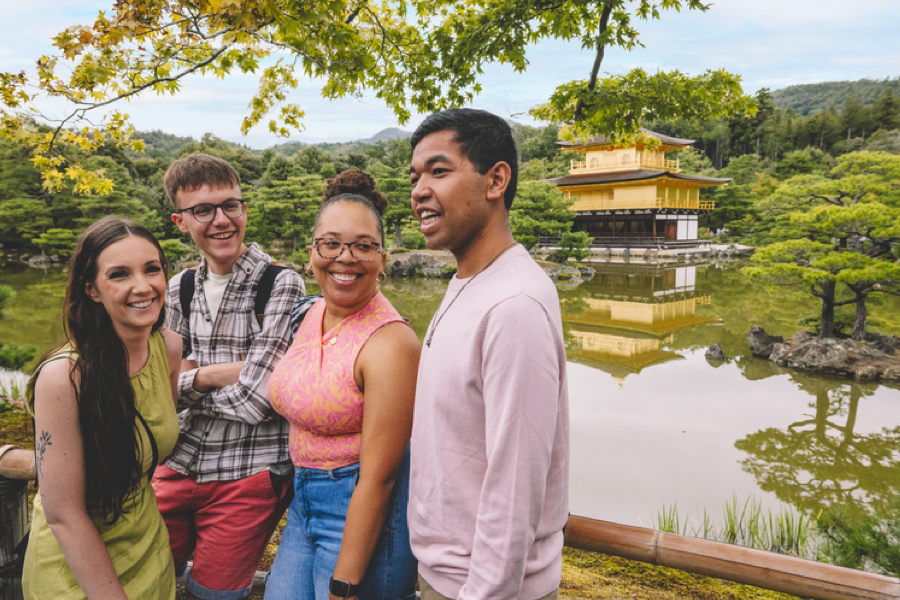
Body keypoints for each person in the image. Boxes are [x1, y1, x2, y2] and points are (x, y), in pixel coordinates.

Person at [407, 108, 570, 600]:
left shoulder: (513, 304)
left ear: (496, 179)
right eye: (415, 176)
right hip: (445, 574)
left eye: (438, 171)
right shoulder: (469, 282)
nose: (418, 190)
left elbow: (515, 485)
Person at [154, 154, 305, 600]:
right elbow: (161, 393)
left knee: (214, 593)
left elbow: (256, 401)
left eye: (230, 206)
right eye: (203, 210)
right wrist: (217, 375)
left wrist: (190, 379)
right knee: (143, 575)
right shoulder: (179, 287)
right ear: (181, 221)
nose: (221, 220)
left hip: (247, 472)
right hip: (177, 463)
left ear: (243, 208)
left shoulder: (280, 284)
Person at [266, 169, 421, 600]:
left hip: (361, 509)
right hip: (304, 502)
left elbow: (380, 476)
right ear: (312, 251)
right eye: (331, 243)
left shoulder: (391, 343)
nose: (345, 257)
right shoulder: (312, 311)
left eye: (363, 246)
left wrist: (345, 585)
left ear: (383, 259)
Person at [23, 216, 181, 599]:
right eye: (120, 274)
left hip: (149, 550)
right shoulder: (65, 377)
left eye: (152, 269)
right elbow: (63, 515)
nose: (142, 287)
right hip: (78, 572)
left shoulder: (168, 347)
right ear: (92, 290)